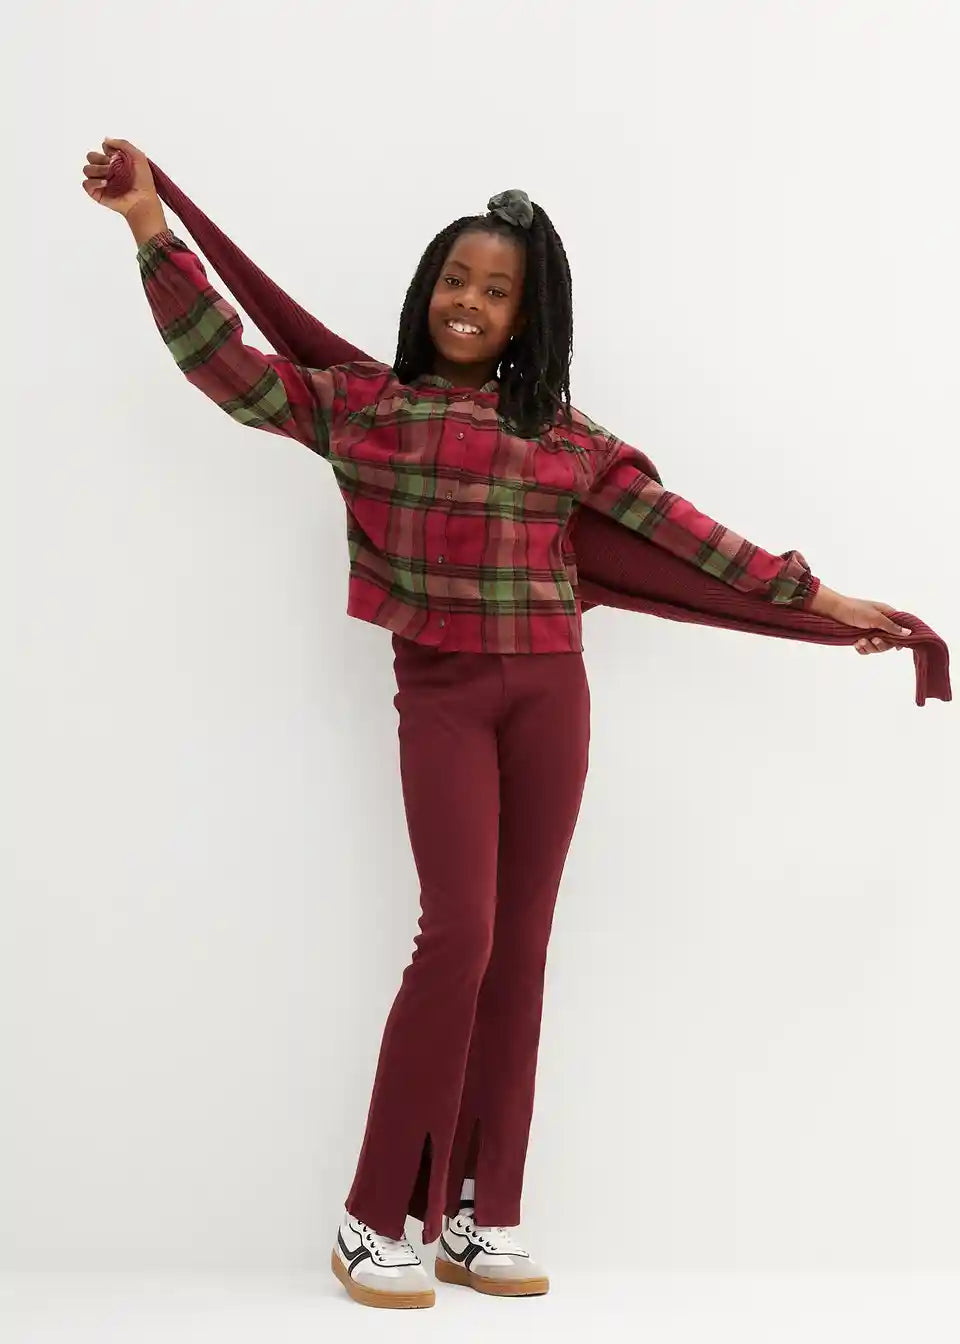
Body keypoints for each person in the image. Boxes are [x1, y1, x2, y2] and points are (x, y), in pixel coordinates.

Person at [82, 137, 909, 1310]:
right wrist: (149, 228)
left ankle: (478, 1215)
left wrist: (820, 601)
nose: (468, 302)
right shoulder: (363, 408)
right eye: (455, 280)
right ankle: (376, 1219)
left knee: (519, 949)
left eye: (497, 290)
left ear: (529, 316)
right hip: (446, 701)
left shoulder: (569, 440)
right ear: (428, 290)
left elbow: (689, 535)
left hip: (553, 696)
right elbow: (229, 368)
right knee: (457, 938)